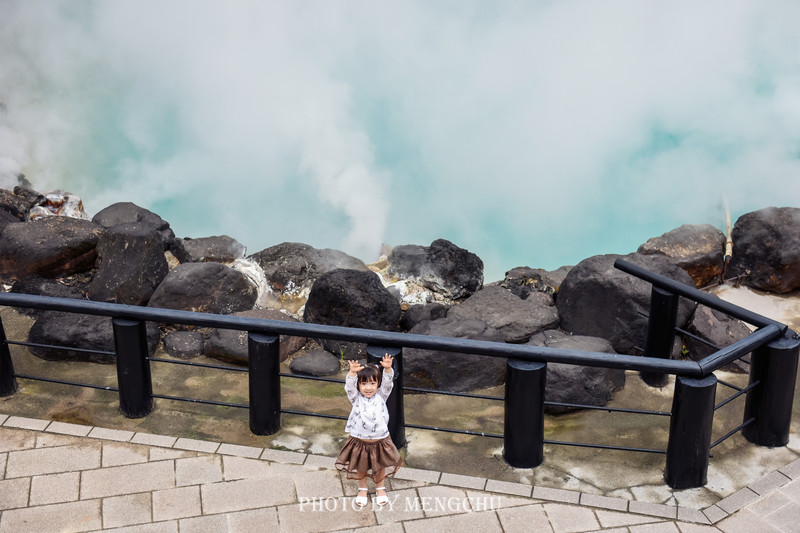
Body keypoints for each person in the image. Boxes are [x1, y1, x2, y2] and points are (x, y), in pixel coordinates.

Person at [335, 353, 403, 507]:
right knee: (361, 466)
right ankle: (363, 489)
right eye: (364, 383)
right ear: (358, 385)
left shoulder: (381, 396)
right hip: (360, 440)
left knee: (381, 465)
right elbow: (349, 387)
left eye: (372, 383)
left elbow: (388, 384)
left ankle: (380, 488)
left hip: (380, 439)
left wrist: (387, 370)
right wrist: (352, 373)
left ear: (378, 384)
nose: (368, 387)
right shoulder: (356, 398)